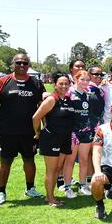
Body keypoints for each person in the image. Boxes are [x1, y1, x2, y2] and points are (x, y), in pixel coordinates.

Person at [0, 53, 46, 205]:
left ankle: (30, 188)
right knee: (5, 161)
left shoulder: (37, 83)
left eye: (25, 63)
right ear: (13, 64)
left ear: (29, 65)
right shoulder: (0, 82)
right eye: (18, 62)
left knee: (29, 160)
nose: (22, 65)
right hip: (6, 132)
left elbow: (43, 108)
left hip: (30, 132)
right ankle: (1, 192)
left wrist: (44, 129)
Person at [32, 72, 75, 207]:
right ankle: (50, 198)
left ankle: (51, 195)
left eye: (66, 83)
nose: (63, 86)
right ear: (55, 84)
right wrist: (38, 133)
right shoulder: (51, 99)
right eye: (60, 83)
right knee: (51, 170)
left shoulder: (68, 99)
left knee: (58, 168)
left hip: (64, 138)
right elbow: (35, 117)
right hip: (51, 139)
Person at [62, 70, 95, 198]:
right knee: (70, 160)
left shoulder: (88, 94)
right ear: (76, 79)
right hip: (73, 132)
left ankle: (82, 185)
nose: (85, 82)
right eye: (82, 79)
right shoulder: (69, 92)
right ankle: (68, 187)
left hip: (86, 131)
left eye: (87, 80)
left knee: (84, 160)